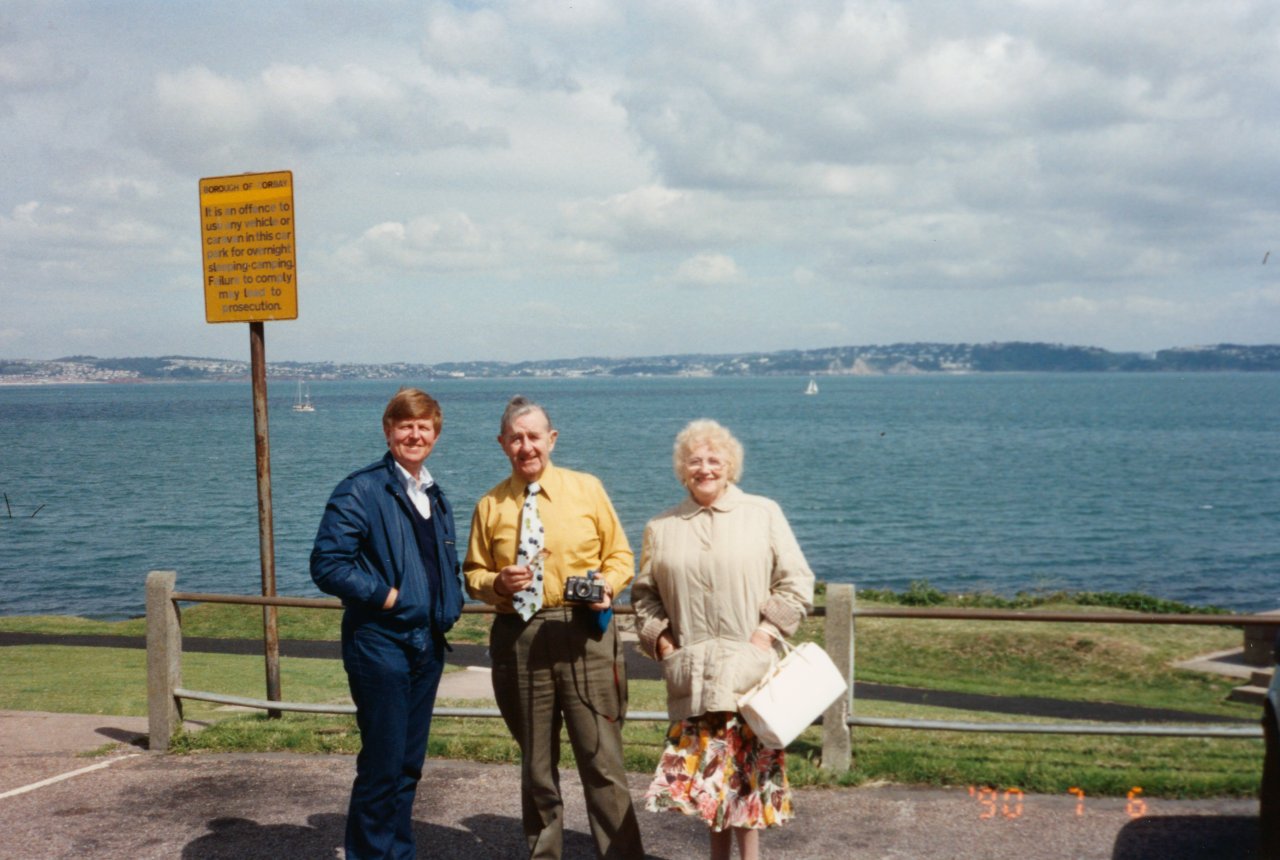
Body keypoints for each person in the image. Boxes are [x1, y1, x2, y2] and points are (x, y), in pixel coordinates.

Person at [464, 395, 644, 860]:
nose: (527, 446)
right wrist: (498, 583)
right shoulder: (490, 504)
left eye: (535, 436)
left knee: (602, 762)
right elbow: (473, 575)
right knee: (537, 769)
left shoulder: (587, 489)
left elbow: (621, 556)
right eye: (516, 438)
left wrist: (608, 584)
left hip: (585, 633)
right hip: (520, 636)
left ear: (552, 439)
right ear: (503, 443)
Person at [631, 419, 814, 860]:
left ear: (730, 465)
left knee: (745, 789)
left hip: (749, 677)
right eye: (695, 460)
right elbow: (644, 595)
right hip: (692, 675)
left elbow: (796, 582)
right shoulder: (662, 526)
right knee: (709, 791)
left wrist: (764, 636)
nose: (705, 468)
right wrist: (665, 646)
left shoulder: (763, 513)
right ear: (682, 469)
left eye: (714, 459)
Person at [311, 388, 465, 860]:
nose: (414, 435)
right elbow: (327, 564)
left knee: (407, 766)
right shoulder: (362, 488)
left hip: (426, 644)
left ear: (435, 435)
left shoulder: (433, 495)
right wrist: (388, 595)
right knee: (382, 765)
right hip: (380, 642)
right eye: (405, 426)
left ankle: (396, 853)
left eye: (424, 427)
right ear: (388, 430)